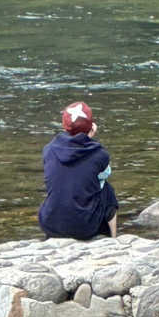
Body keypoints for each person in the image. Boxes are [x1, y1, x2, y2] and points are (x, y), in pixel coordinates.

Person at [38, 101, 118, 240]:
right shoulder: (100, 154)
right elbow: (105, 174)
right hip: (84, 229)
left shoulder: (48, 150)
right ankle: (113, 239)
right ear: (91, 127)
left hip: (50, 225)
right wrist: (88, 138)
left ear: (64, 126)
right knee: (107, 189)